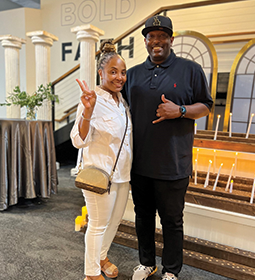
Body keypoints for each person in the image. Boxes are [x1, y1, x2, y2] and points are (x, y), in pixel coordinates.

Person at [122, 15, 213, 280]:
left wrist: (180, 110)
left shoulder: (191, 69)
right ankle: (146, 263)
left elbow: (206, 105)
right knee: (143, 217)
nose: (156, 41)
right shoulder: (134, 74)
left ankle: (171, 270)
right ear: (146, 41)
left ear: (172, 39)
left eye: (162, 36)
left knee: (172, 222)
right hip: (139, 163)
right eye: (151, 36)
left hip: (174, 163)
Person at [70, 40, 132, 280]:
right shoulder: (91, 98)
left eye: (123, 72)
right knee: (97, 225)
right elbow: (77, 139)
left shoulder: (121, 101)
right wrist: (87, 112)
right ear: (101, 73)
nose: (119, 77)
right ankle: (91, 273)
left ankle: (102, 257)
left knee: (114, 222)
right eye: (113, 72)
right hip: (99, 174)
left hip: (122, 174)